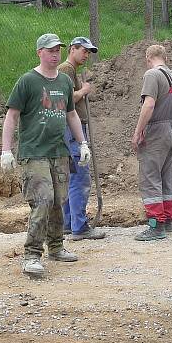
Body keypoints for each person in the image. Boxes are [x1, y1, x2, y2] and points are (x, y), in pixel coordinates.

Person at [0, 33, 91, 277]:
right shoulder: (28, 81)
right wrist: (6, 150)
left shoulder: (63, 81)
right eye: (50, 50)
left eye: (57, 50)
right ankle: (31, 255)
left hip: (58, 152)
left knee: (58, 201)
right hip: (34, 152)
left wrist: (83, 144)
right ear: (39, 52)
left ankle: (56, 246)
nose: (55, 54)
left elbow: (71, 114)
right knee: (42, 200)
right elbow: (12, 116)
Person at [131, 44, 172, 241]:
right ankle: (168, 220)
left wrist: (138, 132)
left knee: (150, 177)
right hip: (170, 129)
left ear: (148, 58)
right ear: (165, 58)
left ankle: (155, 225)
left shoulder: (152, 75)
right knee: (166, 176)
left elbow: (149, 104)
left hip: (155, 131)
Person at [58, 36, 105, 240]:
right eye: (84, 51)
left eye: (88, 52)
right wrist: (83, 91)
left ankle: (68, 223)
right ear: (73, 49)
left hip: (69, 129)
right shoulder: (66, 69)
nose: (86, 55)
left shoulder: (69, 70)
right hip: (72, 130)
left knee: (72, 177)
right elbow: (66, 101)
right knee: (80, 177)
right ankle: (79, 227)